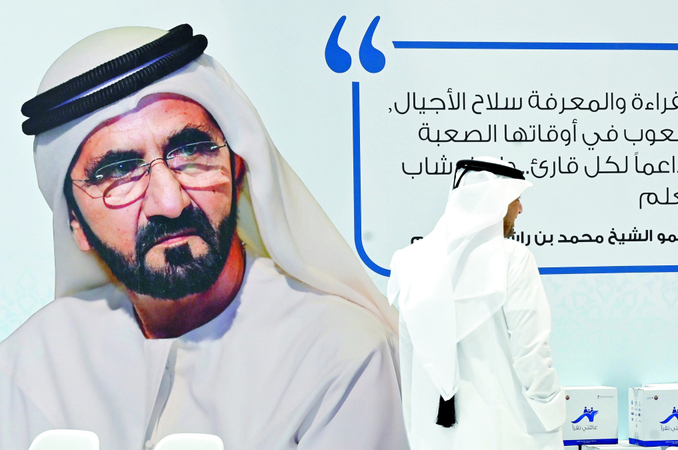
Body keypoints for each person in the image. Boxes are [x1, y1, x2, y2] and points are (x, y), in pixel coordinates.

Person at [0, 25, 408, 450]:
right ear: (76, 223)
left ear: (238, 168)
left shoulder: (337, 355)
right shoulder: (25, 372)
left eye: (192, 151)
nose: (169, 202)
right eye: (119, 171)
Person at [387, 157, 565, 450]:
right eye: (516, 199)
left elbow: (407, 360)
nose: (520, 209)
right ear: (495, 201)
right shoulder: (513, 258)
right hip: (508, 433)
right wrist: (552, 410)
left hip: (432, 436)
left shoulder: (408, 262)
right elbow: (531, 352)